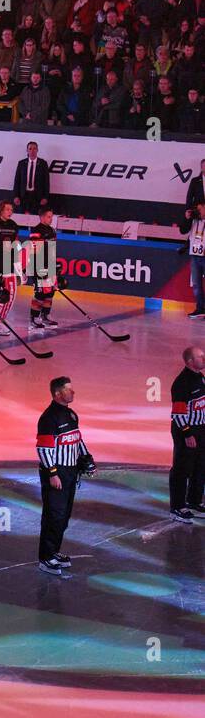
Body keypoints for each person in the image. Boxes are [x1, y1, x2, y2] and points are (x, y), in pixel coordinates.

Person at [36, 376, 95, 577]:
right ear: (58, 394)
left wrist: (86, 459)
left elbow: (77, 439)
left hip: (70, 473)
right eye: (69, 390)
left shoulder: (71, 415)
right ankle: (46, 557)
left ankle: (54, 551)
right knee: (54, 515)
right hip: (57, 473)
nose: (73, 392)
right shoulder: (48, 418)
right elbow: (43, 448)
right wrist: (52, 474)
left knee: (64, 515)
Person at [169, 346, 205, 522]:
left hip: (201, 429)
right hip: (187, 430)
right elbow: (177, 413)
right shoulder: (182, 383)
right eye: (200, 356)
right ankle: (177, 506)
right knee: (182, 469)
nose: (204, 358)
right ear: (190, 361)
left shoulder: (200, 378)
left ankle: (194, 500)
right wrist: (187, 434)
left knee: (200, 466)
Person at [0, 199, 22, 338]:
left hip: (8, 262)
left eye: (11, 210)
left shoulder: (13, 225)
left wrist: (19, 265)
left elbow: (16, 244)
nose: (10, 212)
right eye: (7, 209)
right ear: (1, 209)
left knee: (9, 294)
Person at [27, 208, 62, 329]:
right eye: (48, 217)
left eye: (52, 217)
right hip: (39, 266)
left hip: (50, 265)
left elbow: (52, 250)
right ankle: (34, 318)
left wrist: (54, 265)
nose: (51, 219)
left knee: (50, 292)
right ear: (41, 217)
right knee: (40, 293)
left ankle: (45, 315)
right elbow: (36, 251)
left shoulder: (52, 230)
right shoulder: (36, 230)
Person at [12, 141, 51, 213]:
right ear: (27, 150)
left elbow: (46, 182)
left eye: (34, 148)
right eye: (30, 149)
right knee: (22, 219)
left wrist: (45, 197)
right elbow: (17, 181)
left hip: (37, 197)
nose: (32, 151)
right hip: (23, 196)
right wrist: (16, 196)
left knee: (35, 219)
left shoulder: (43, 163)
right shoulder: (22, 163)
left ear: (37, 150)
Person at [185, 198, 205, 318]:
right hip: (194, 255)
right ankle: (200, 308)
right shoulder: (193, 220)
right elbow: (183, 230)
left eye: (199, 209)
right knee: (196, 284)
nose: (197, 212)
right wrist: (187, 218)